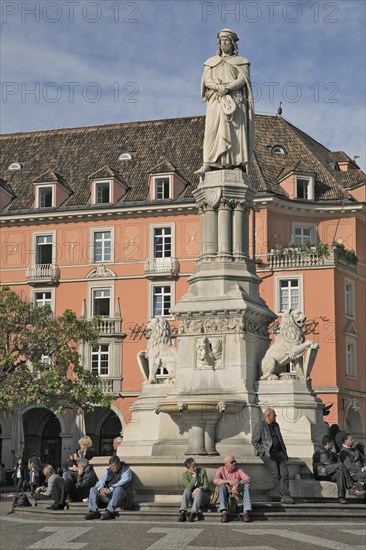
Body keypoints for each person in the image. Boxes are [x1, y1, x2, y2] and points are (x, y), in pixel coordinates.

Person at [196, 29, 254, 177]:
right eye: (222, 41)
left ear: (233, 43)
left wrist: (227, 87)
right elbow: (206, 81)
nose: (224, 44)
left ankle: (236, 164)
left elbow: (242, 80)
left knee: (234, 133)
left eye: (227, 41)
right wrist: (218, 87)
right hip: (215, 101)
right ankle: (208, 164)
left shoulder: (241, 62)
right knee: (211, 131)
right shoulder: (210, 63)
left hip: (234, 102)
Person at [252, 408, 294, 504]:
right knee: (276, 474)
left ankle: (286, 495)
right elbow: (254, 441)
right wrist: (263, 451)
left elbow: (280, 439)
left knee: (285, 474)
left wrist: (285, 452)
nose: (275, 416)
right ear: (268, 416)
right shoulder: (260, 425)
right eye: (274, 415)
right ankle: (283, 495)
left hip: (279, 453)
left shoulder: (276, 425)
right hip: (268, 454)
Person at [312, 435, 362, 504]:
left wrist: (335, 456)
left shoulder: (328, 451)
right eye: (332, 443)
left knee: (340, 472)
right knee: (340, 466)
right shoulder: (321, 451)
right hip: (321, 473)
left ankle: (341, 497)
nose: (333, 445)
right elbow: (329, 464)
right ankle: (351, 487)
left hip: (328, 473)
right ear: (328, 443)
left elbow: (332, 464)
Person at [85, 455, 132, 521]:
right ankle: (93, 511)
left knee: (118, 489)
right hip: (108, 495)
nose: (112, 468)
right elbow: (101, 480)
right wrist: (101, 489)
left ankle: (109, 511)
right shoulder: (108, 471)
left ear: (119, 464)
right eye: (111, 466)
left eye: (114, 466)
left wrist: (110, 489)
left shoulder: (125, 470)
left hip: (121, 496)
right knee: (93, 489)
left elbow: (123, 482)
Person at [213, 455, 252, 523]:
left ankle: (246, 512)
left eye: (235, 461)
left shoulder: (238, 469)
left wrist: (237, 484)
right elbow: (215, 480)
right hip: (226, 491)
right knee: (221, 485)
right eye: (232, 462)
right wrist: (228, 481)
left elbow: (247, 478)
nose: (234, 463)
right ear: (226, 464)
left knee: (246, 485)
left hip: (237, 491)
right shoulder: (221, 469)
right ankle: (224, 512)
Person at [178, 457, 211, 523]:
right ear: (188, 469)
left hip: (204, 497)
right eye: (193, 467)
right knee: (186, 490)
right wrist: (194, 478)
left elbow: (206, 486)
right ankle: (183, 513)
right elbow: (188, 487)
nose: (195, 468)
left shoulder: (202, 471)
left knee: (198, 491)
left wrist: (198, 489)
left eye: (195, 465)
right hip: (192, 499)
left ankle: (193, 513)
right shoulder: (185, 474)